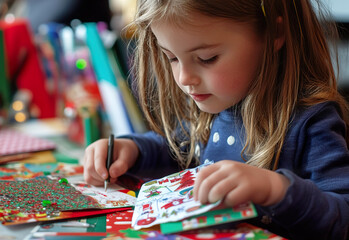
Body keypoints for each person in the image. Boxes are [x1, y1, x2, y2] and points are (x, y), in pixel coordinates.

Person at [83, 0, 349, 239]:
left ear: (273, 33)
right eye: (172, 58)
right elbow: (176, 151)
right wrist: (132, 150)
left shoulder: (312, 121)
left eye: (206, 58)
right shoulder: (216, 104)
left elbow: (342, 218)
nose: (184, 78)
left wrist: (275, 189)